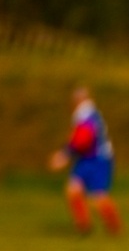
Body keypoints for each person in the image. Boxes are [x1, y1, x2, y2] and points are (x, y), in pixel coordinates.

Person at [49, 87, 122, 236]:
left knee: (98, 197)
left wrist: (64, 155)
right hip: (88, 158)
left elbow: (83, 140)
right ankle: (83, 225)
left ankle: (114, 226)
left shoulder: (86, 115)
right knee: (73, 189)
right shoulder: (88, 114)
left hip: (98, 159)